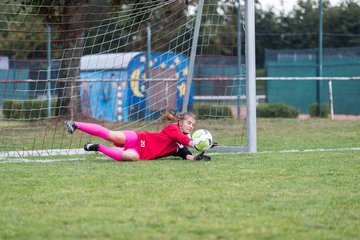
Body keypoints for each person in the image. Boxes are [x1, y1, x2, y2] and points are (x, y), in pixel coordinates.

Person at [64, 111, 213, 161]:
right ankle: (75, 124)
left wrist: (196, 157)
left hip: (140, 153)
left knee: (131, 157)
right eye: (189, 122)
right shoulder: (173, 128)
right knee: (111, 135)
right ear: (181, 121)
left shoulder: (177, 146)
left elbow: (184, 153)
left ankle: (97, 147)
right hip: (139, 138)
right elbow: (185, 141)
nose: (191, 126)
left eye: (193, 125)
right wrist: (198, 143)